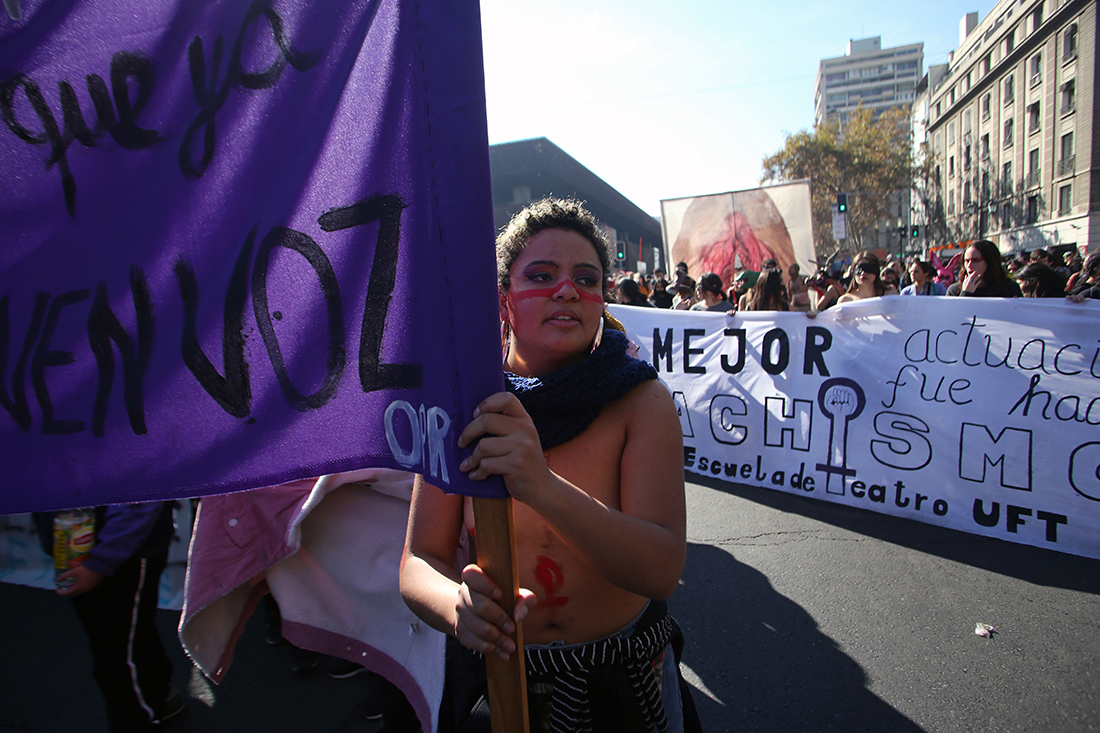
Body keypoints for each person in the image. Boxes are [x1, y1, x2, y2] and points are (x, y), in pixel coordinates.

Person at [400, 198, 695, 733]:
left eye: (587, 278)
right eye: (541, 274)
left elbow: (661, 569)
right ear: (503, 302)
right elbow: (420, 559)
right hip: (501, 681)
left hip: (623, 677)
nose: (567, 290)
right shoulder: (460, 406)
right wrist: (457, 607)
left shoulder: (642, 402)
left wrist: (541, 486)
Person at [35, 503, 182, 733]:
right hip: (76, 541)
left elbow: (140, 494)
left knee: (116, 656)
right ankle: (158, 696)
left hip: (121, 550)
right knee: (125, 632)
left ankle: (137, 720)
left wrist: (102, 562)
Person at [946, 240, 1022, 297]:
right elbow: (953, 316)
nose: (969, 265)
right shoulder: (954, 290)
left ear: (989, 262)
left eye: (975, 260)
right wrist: (965, 294)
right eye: (967, 261)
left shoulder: (1009, 288)